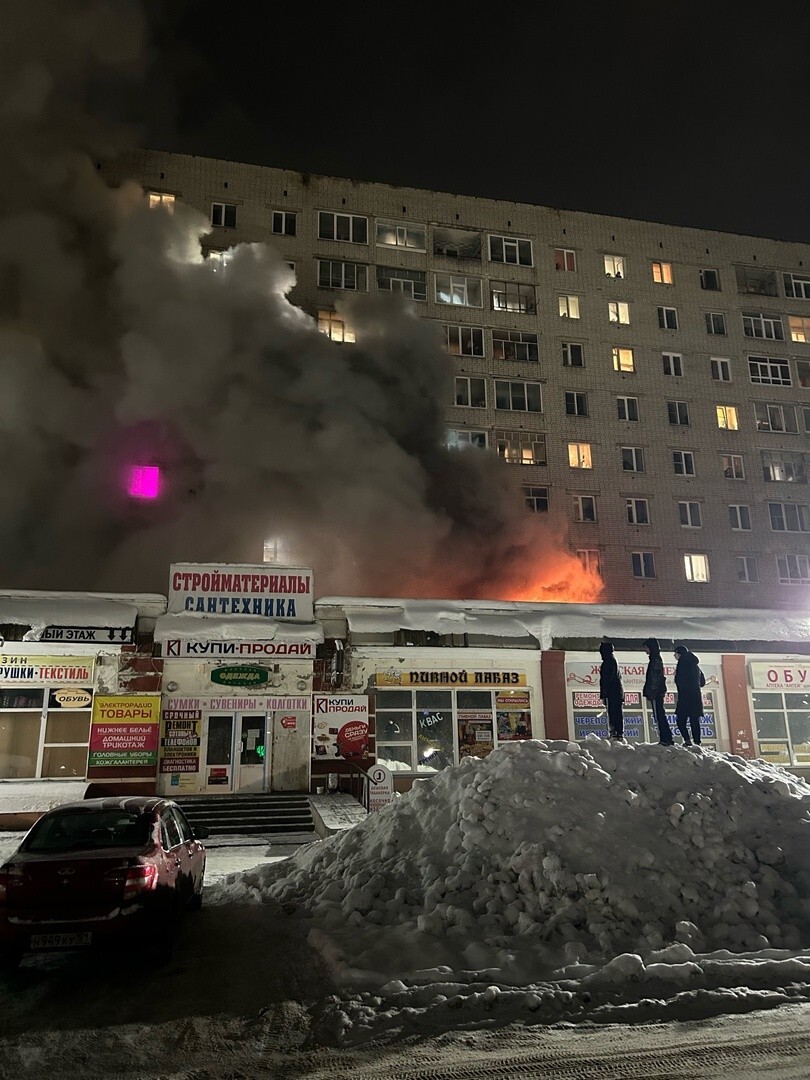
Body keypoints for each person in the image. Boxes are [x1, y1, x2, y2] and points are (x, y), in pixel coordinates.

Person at [673, 644, 705, 747]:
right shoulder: (696, 665)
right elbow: (702, 682)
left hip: (685, 697)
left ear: (679, 653)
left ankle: (687, 740)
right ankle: (697, 742)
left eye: (676, 653)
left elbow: (679, 680)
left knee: (680, 720)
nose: (675, 656)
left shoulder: (682, 663)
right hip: (695, 696)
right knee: (694, 720)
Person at [642, 637, 672, 745]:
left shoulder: (655, 660)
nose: (645, 650)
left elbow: (654, 677)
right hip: (657, 691)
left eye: (646, 647)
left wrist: (652, 692)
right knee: (659, 714)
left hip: (656, 692)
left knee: (659, 714)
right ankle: (666, 737)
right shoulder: (656, 658)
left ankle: (665, 738)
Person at [599, 641, 624, 740]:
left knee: (613, 713)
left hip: (612, 692)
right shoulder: (613, 661)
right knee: (616, 712)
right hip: (616, 692)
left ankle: (615, 733)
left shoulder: (608, 662)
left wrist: (603, 694)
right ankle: (617, 733)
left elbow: (606, 680)